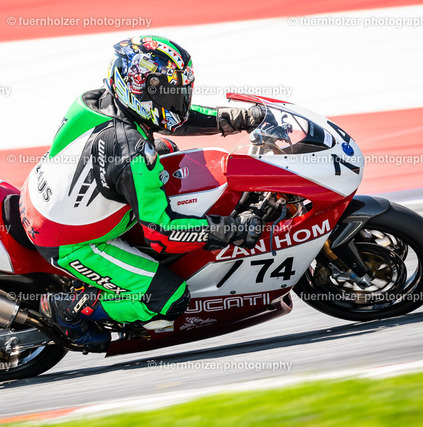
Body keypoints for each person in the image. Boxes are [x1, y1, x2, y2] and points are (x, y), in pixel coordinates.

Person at [19, 35, 264, 351]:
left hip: (42, 197)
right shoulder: (133, 153)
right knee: (168, 297)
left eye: (179, 90)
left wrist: (234, 119)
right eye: (167, 92)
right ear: (138, 90)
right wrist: (230, 229)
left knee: (166, 149)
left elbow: (170, 117)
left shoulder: (94, 100)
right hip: (69, 241)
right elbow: (163, 233)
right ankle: (71, 309)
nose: (177, 99)